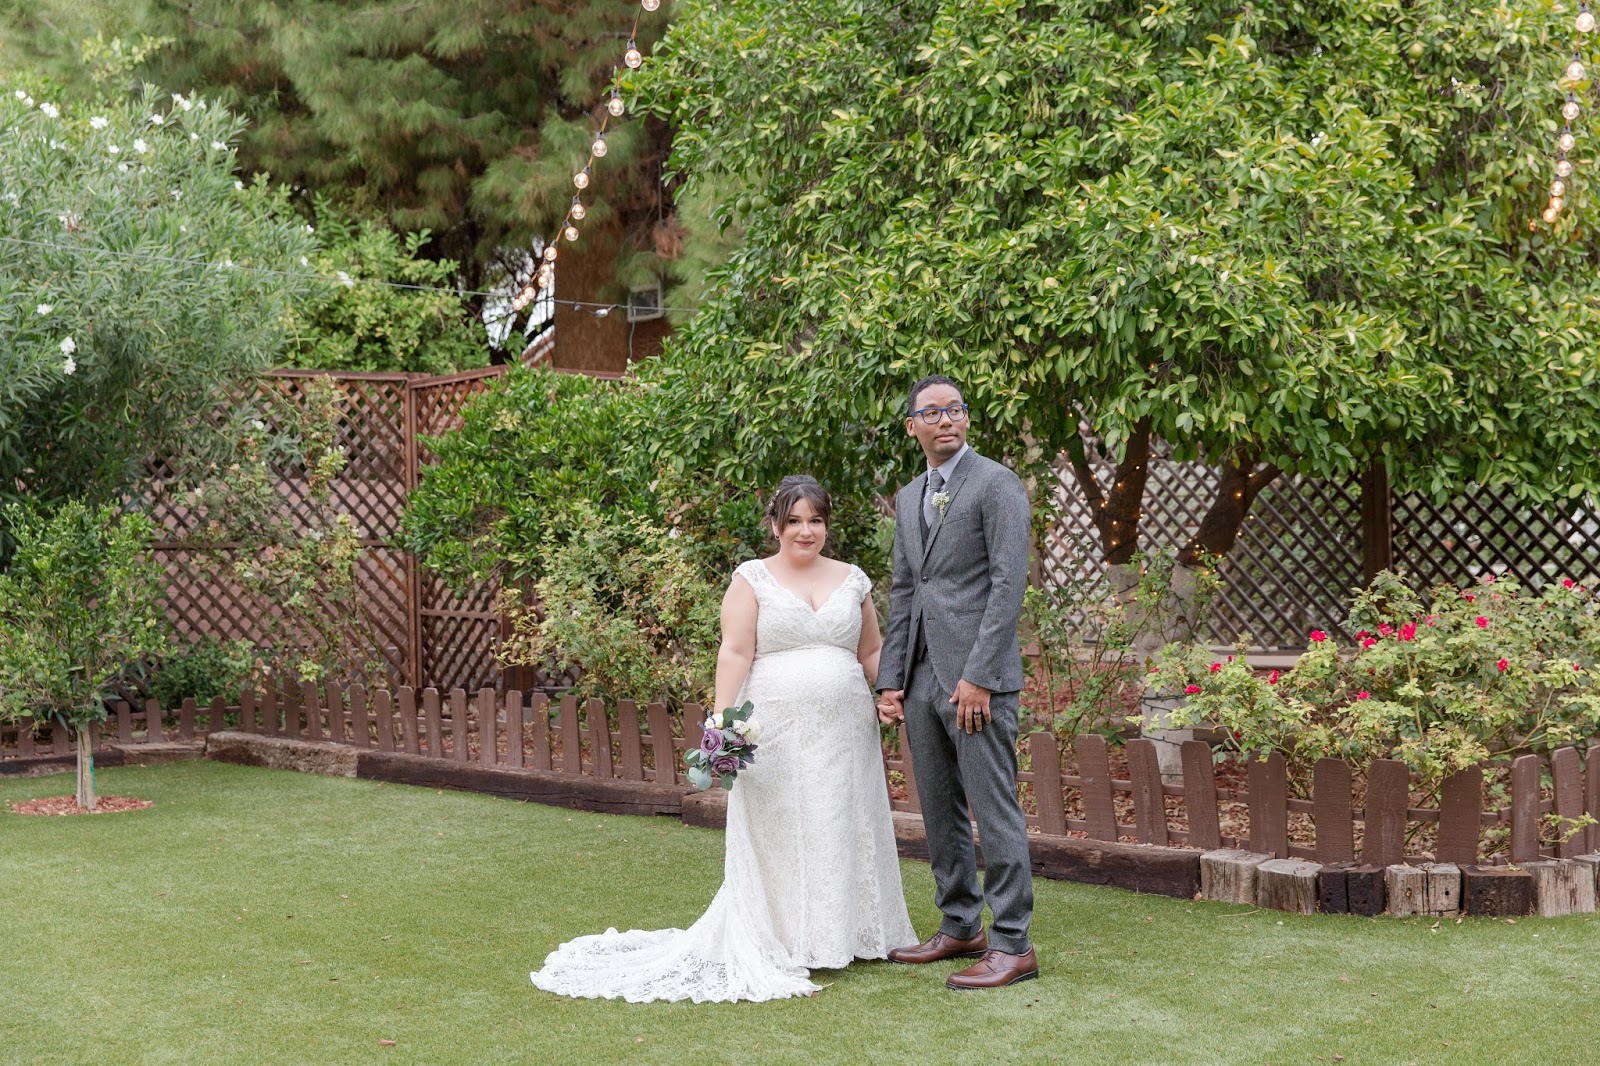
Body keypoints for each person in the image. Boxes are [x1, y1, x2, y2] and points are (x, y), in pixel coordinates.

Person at [529, 475, 915, 1002]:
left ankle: (847, 933)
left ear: (827, 525)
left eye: (816, 520)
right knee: (784, 823)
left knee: (841, 817)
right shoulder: (752, 578)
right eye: (794, 521)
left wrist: (888, 690)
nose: (805, 531)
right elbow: (734, 652)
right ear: (775, 525)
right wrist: (722, 722)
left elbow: (870, 650)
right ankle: (785, 936)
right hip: (775, 727)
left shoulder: (853, 580)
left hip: (845, 727)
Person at [875, 374, 1038, 989]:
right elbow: (906, 590)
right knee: (939, 809)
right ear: (912, 426)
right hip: (921, 680)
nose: (945, 419)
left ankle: (1013, 944)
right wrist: (892, 680)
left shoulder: (996, 484)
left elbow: (1008, 584)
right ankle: (960, 924)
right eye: (932, 412)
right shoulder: (909, 495)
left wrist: (980, 675)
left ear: (966, 420)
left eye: (955, 410)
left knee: (993, 810)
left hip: (977, 683)